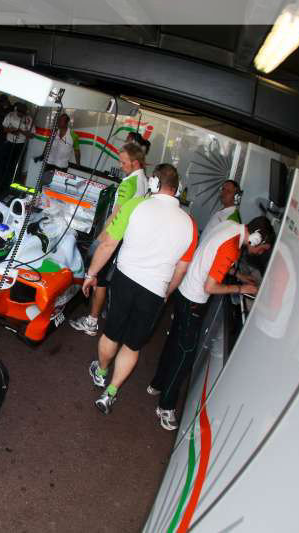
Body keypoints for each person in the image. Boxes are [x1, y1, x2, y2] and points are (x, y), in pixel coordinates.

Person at [82, 164, 197, 414]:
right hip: (155, 291)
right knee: (133, 345)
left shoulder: (136, 204)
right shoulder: (190, 224)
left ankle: (101, 372)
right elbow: (181, 270)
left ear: (154, 183)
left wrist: (91, 274)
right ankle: (110, 392)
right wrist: (166, 294)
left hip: (125, 280)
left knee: (112, 334)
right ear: (177, 189)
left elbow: (108, 244)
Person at [149, 216, 273, 430]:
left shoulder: (230, 226)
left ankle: (157, 384)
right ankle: (165, 407)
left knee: (174, 342)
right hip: (194, 300)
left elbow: (215, 260)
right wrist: (241, 289)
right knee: (185, 356)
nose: (261, 253)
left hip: (183, 291)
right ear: (256, 238)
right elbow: (210, 287)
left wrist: (240, 276)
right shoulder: (231, 247)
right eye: (263, 249)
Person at [69, 142, 149, 336]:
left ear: (135, 163)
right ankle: (99, 313)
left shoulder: (129, 183)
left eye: (123, 162)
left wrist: (100, 239)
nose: (120, 165)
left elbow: (115, 215)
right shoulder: (144, 180)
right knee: (105, 280)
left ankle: (92, 321)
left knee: (99, 280)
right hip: (127, 237)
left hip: (115, 238)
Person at [0, 102, 33, 197]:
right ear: (16, 110)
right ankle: (3, 184)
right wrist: (12, 131)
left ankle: (13, 186)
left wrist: (21, 131)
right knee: (5, 165)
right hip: (9, 143)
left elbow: (31, 135)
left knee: (17, 166)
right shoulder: (10, 115)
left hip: (20, 145)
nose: (20, 114)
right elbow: (4, 129)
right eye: (19, 111)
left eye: (22, 112)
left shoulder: (29, 119)